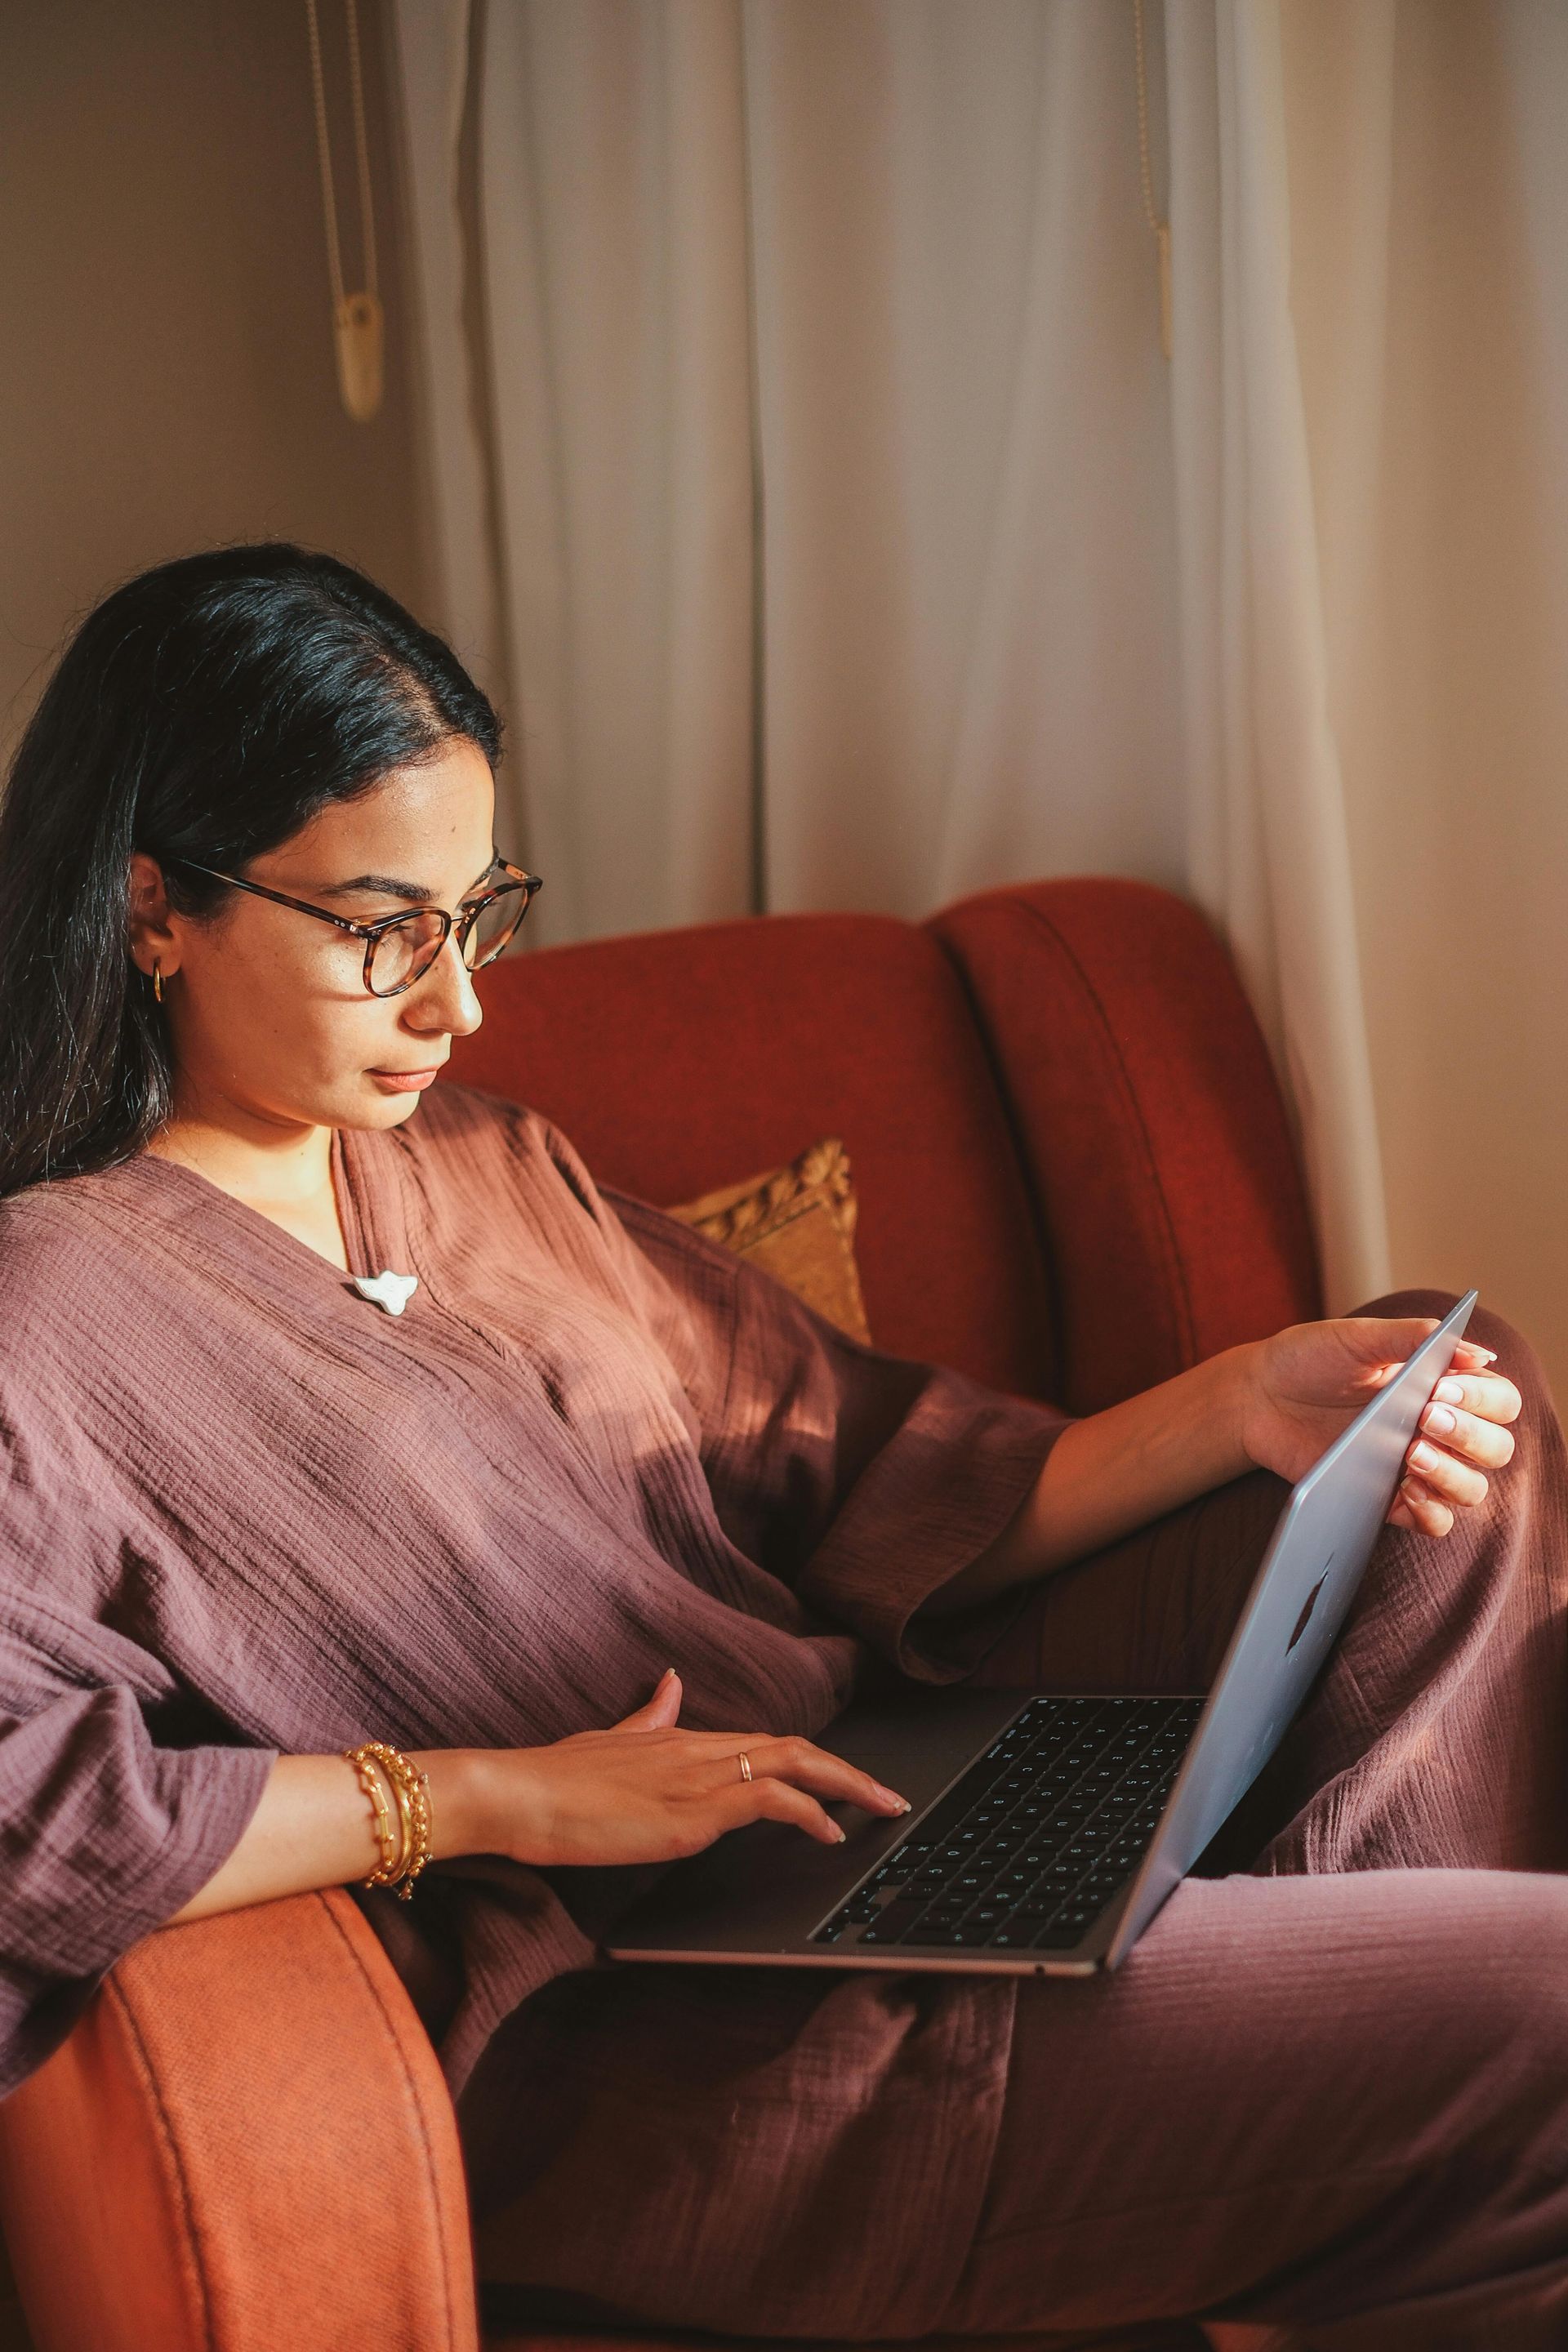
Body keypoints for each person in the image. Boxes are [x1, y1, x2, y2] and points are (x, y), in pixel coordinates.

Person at [0, 545, 1558, 2352]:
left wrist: (1244, 1403)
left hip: (847, 1791)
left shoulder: (490, 1163)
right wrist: (502, 1795)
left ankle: (1247, 2126)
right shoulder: (42, 1314)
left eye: (478, 911)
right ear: (149, 908)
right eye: (377, 929)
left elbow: (867, 1466)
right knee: (1548, 2006)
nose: (460, 1003)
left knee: (1434, 1396)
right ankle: (1286, 2114)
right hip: (668, 2032)